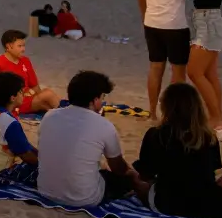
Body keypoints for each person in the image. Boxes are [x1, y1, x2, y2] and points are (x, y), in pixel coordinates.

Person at [134, 83, 222, 218]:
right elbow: (212, 172)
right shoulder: (208, 137)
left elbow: (145, 172)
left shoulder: (156, 135)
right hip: (213, 208)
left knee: (135, 179)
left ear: (166, 107)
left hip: (167, 204)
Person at [38, 71, 144, 207]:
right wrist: (132, 175)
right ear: (95, 100)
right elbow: (118, 168)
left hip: (45, 191)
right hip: (84, 198)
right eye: (102, 97)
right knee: (124, 179)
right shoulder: (103, 125)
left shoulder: (49, 116)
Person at [138, 0, 192, 121]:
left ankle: (152, 111)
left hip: (152, 23)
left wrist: (145, 16)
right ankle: (173, 114)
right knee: (178, 72)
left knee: (155, 68)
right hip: (175, 25)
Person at [0, 72, 39, 176]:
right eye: (21, 92)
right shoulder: (9, 123)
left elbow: (24, 145)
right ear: (13, 98)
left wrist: (39, 154)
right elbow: (26, 155)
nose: (23, 94)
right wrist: (43, 163)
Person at [0, 29, 60, 115]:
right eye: (20, 46)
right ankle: (64, 114)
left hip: (27, 98)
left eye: (24, 46)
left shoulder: (26, 61)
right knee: (48, 94)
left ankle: (59, 115)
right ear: (9, 46)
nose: (23, 49)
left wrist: (38, 97)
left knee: (45, 103)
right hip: (13, 102)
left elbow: (35, 86)